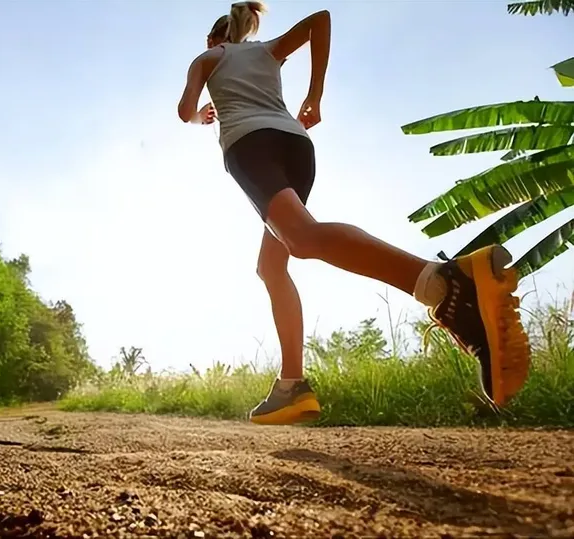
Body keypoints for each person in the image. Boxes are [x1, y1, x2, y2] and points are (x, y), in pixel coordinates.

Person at [177, 2, 531, 425]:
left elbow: (185, 111)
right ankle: (292, 385)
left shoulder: (207, 58)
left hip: (249, 145)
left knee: (302, 239)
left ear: (216, 39)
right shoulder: (267, 50)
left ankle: (442, 284)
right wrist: (314, 96)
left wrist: (201, 117)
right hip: (295, 144)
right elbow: (319, 21)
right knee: (271, 266)